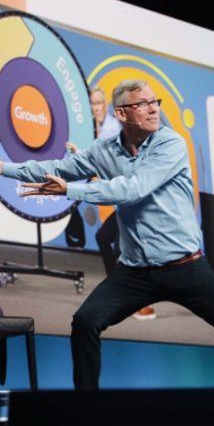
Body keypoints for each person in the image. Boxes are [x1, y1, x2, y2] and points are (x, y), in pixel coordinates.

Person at [0, 80, 214, 390]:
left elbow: (132, 189)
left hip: (186, 267)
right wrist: (4, 168)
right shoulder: (105, 151)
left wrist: (72, 190)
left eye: (154, 101)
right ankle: (88, 412)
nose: (153, 108)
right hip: (135, 273)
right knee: (85, 322)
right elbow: (60, 167)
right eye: (142, 104)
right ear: (122, 113)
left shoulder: (170, 144)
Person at [67, 88, 155, 320]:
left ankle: (135, 301)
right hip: (123, 199)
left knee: (117, 245)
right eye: (92, 103)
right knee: (107, 240)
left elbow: (110, 159)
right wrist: (80, 153)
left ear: (105, 105)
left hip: (133, 197)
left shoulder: (112, 129)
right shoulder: (96, 129)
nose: (95, 107)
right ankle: (122, 295)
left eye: (99, 103)